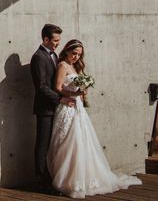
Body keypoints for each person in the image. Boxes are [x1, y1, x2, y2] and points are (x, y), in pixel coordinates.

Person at [47, 39, 142, 198]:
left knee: (82, 142)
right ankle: (67, 179)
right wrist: (74, 94)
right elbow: (57, 87)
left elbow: (75, 86)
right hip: (67, 108)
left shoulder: (74, 66)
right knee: (68, 142)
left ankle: (83, 178)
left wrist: (83, 92)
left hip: (78, 107)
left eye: (79, 54)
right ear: (67, 51)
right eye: (74, 53)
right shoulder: (63, 65)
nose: (76, 57)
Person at [30, 23, 75, 194]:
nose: (58, 43)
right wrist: (61, 99)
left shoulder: (54, 55)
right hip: (45, 109)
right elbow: (41, 86)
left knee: (54, 146)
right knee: (42, 147)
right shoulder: (38, 57)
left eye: (59, 40)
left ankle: (55, 178)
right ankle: (42, 183)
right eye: (55, 40)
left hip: (57, 109)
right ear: (45, 39)